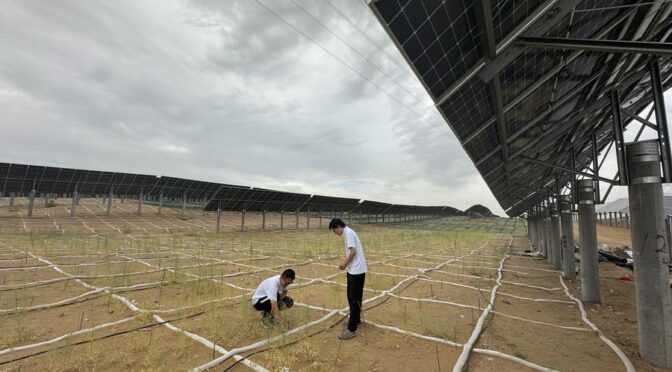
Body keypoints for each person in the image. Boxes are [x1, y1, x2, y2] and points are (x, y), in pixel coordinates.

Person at [329, 218, 367, 340]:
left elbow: (353, 251)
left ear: (339, 226)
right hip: (355, 270)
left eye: (335, 230)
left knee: (353, 297)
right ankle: (355, 320)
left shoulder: (348, 233)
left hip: (356, 270)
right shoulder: (348, 233)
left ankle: (351, 329)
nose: (336, 233)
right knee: (354, 297)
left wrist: (344, 264)